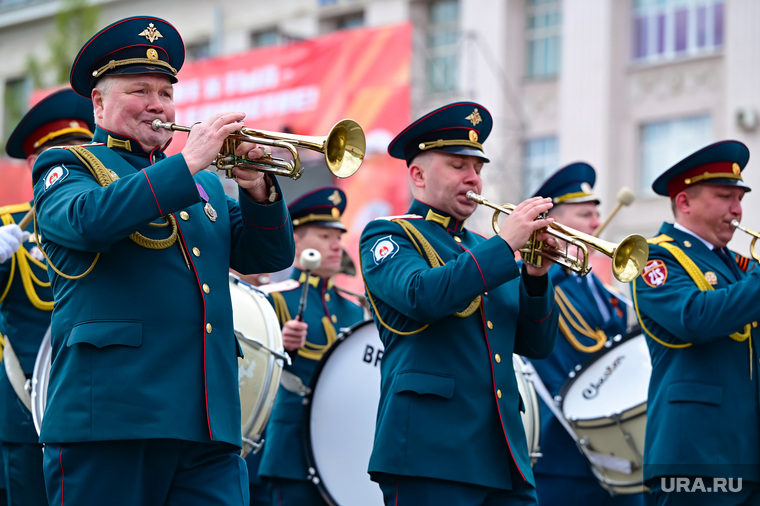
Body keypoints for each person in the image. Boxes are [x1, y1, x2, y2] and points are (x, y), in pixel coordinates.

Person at [30, 16, 295, 506]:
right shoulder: (68, 166)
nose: (158, 104)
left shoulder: (204, 185)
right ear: (100, 102)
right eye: (140, 90)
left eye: (166, 93)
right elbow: (89, 222)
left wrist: (258, 187)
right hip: (112, 420)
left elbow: (270, 255)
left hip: (207, 423)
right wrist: (187, 163)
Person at [359, 102, 560, 505]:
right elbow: (422, 296)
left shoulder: (484, 250)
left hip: (503, 453)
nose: (474, 179)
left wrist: (536, 277)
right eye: (458, 166)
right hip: (429, 453)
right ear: (417, 174)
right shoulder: (389, 236)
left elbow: (536, 346)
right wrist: (506, 245)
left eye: (479, 169)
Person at [633, 140, 760, 505]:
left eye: (740, 198)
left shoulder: (739, 267)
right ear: (685, 202)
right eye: (725, 196)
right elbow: (695, 318)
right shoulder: (654, 256)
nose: (737, 210)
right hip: (694, 456)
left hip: (746, 453)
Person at [528, 163, 644, 506]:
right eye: (585, 215)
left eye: (596, 214)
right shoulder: (544, 283)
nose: (597, 223)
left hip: (622, 449)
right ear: (556, 224)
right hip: (565, 453)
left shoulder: (599, 287)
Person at [0, 88, 95, 506]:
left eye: (83, 149)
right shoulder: (8, 228)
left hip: (97, 405)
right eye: (59, 152)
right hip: (27, 414)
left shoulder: (112, 219)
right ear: (37, 164)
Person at [257, 186, 365, 505]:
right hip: (290, 450)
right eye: (324, 236)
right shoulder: (274, 298)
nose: (335, 246)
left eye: (338, 238)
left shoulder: (354, 308)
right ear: (297, 240)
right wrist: (281, 345)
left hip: (341, 451)